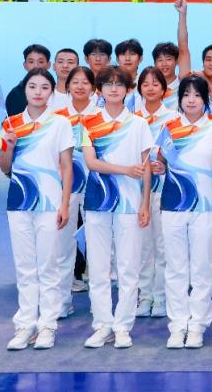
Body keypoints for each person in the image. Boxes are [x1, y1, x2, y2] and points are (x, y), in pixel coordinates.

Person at [0, 68, 74, 351]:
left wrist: (64, 203)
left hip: (49, 203)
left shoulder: (60, 123)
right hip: (19, 203)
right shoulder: (11, 124)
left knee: (48, 266)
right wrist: (8, 147)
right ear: (25, 91)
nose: (38, 92)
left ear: (51, 92)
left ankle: (47, 325)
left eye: (44, 87)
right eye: (33, 87)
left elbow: (66, 167)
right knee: (25, 266)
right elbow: (4, 167)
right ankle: (25, 324)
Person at [80, 66, 153, 349]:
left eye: (119, 84)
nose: (113, 89)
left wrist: (145, 203)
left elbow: (146, 167)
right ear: (99, 90)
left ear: (128, 90)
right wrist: (125, 170)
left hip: (130, 203)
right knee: (99, 267)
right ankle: (102, 324)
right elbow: (91, 163)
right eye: (108, 84)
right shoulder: (89, 122)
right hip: (97, 201)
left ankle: (122, 326)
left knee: (128, 266)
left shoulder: (138, 124)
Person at [159, 75, 212, 349]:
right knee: (176, 268)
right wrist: (157, 167)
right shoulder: (168, 128)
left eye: (197, 95)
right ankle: (177, 326)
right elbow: (160, 163)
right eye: (186, 94)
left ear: (205, 100)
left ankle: (197, 325)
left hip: (206, 208)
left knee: (201, 268)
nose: (191, 100)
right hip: (173, 205)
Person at [52, 66, 97, 316]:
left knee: (98, 243)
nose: (80, 86)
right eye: (75, 82)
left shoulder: (101, 116)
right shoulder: (57, 117)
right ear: (67, 86)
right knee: (63, 242)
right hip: (66, 185)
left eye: (85, 82)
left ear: (93, 88)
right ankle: (62, 301)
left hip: (97, 185)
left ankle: (100, 305)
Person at [135, 67, 177, 320]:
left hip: (164, 189)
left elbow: (181, 155)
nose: (150, 88)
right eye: (145, 84)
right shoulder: (131, 119)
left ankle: (161, 297)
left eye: (155, 84)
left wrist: (165, 166)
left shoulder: (173, 119)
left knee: (163, 246)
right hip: (136, 190)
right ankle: (144, 296)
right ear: (139, 88)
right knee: (142, 247)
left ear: (164, 89)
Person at [6, 44, 51, 116]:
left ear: (48, 65)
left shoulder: (56, 91)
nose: (36, 66)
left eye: (41, 62)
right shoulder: (16, 94)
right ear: (25, 65)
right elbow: (12, 121)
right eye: (31, 62)